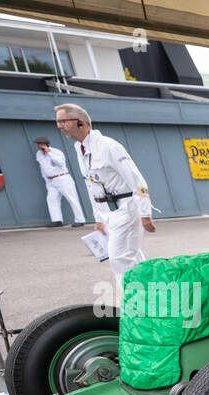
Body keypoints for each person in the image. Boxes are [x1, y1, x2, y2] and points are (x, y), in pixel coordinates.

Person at [54, 102, 154, 290]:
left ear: (80, 122)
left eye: (63, 121)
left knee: (118, 258)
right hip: (108, 212)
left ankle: (132, 304)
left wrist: (145, 214)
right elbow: (91, 185)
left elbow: (138, 181)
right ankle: (150, 296)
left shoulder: (109, 146)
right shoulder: (79, 148)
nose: (59, 126)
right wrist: (99, 218)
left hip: (126, 208)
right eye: (58, 122)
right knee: (131, 257)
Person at [33, 136, 85, 227]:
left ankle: (80, 220)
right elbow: (43, 167)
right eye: (37, 144)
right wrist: (46, 180)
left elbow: (60, 163)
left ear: (45, 144)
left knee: (72, 199)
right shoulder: (39, 154)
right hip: (50, 181)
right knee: (52, 200)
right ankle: (57, 220)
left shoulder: (56, 152)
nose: (38, 146)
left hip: (62, 178)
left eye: (40, 144)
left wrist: (48, 152)